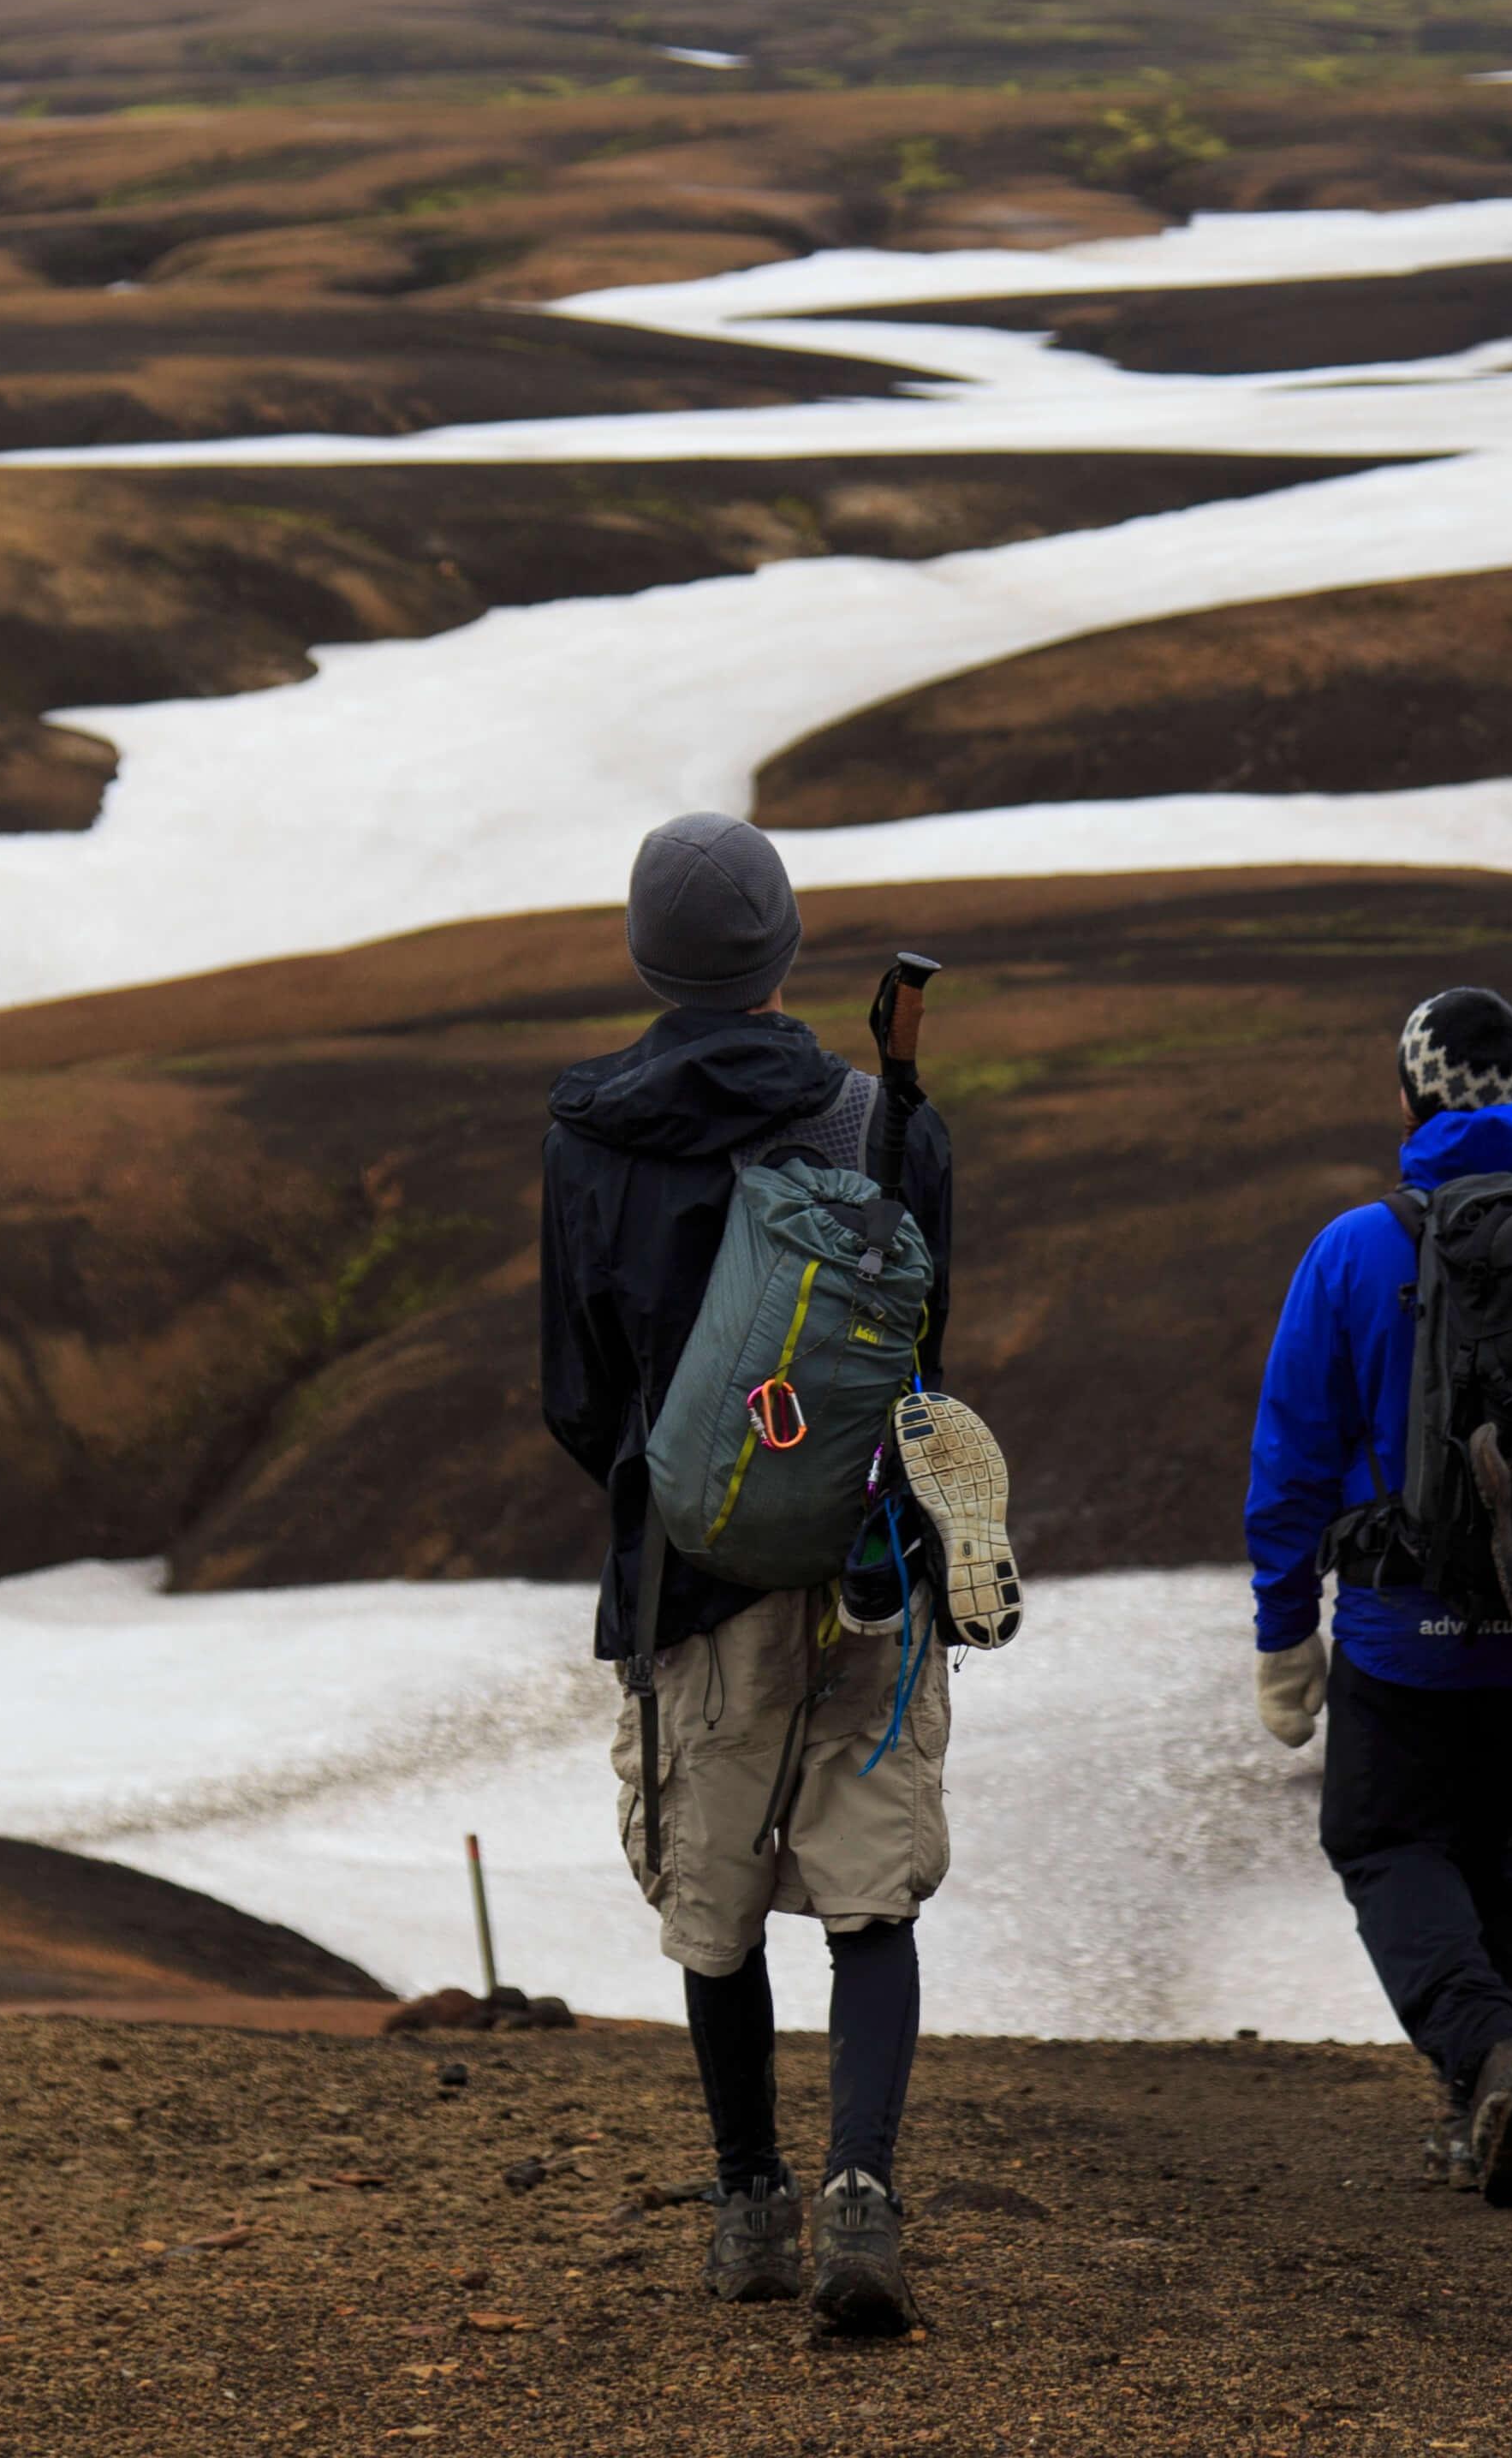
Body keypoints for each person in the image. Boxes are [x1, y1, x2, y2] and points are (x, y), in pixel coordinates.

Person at [543, 810, 961, 2333]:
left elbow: (578, 1393)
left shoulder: (590, 1136)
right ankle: (863, 2192)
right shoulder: (883, 1119)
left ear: (647, 956)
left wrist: (686, 1500)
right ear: (784, 948)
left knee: (709, 1898)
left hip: (688, 1582)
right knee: (872, 1894)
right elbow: (924, 1354)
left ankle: (748, 2204)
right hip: (864, 1564)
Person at [1247, 986, 1512, 2204]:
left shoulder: (1359, 1249)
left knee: (1380, 1837)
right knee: (1503, 1840)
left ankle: (1488, 2061)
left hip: (1403, 1621)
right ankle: (1490, 2089)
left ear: (1413, 1091)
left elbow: (1291, 1457)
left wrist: (1285, 1635)